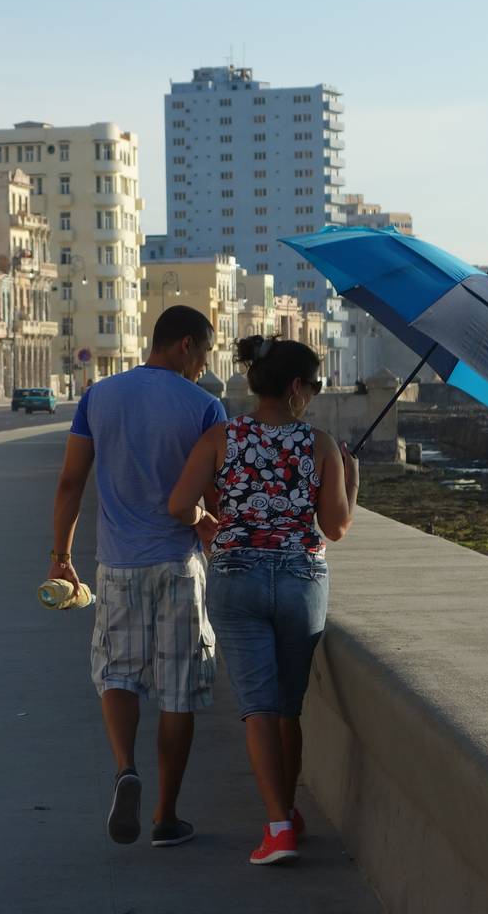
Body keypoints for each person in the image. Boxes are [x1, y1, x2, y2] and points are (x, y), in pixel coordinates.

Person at [168, 336, 356, 866]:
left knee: (258, 706)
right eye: (315, 385)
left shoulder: (221, 438)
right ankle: (288, 811)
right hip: (302, 578)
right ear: (296, 387)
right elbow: (336, 527)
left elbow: (180, 504)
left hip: (237, 575)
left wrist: (211, 527)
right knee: (288, 708)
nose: (316, 395)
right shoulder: (318, 444)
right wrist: (352, 480)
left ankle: (278, 826)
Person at [49, 305, 225, 850]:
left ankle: (126, 768)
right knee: (178, 693)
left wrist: (61, 556)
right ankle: (165, 817)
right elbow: (214, 499)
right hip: (178, 565)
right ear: (184, 345)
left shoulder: (98, 396)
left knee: (118, 674)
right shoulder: (205, 407)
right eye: (204, 353)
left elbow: (70, 483)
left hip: (118, 565)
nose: (204, 366)